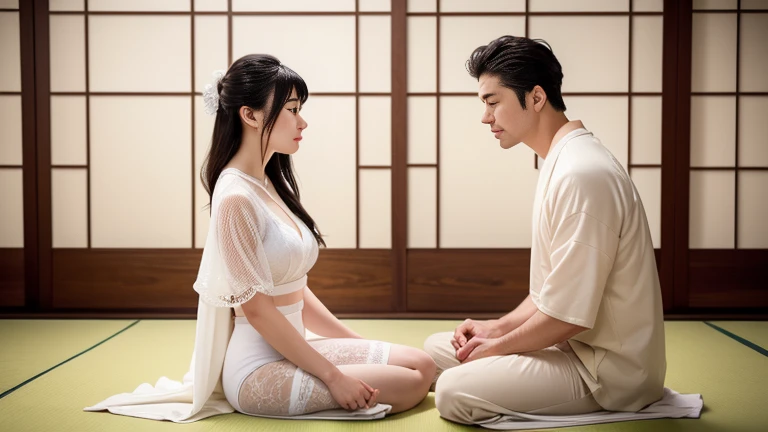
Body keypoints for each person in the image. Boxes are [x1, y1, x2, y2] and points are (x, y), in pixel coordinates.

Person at [85, 54, 435, 422]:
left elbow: (295, 290)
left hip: (293, 347)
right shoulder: (236, 197)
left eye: (300, 109)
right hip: (258, 369)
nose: (302, 121)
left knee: (422, 364)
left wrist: (357, 345)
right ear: (249, 115)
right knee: (411, 384)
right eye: (292, 109)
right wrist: (334, 377)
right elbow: (256, 310)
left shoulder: (267, 182)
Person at [423, 35, 666, 426]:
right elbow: (552, 294)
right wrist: (495, 327)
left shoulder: (583, 173)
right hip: (570, 347)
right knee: (434, 352)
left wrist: (497, 348)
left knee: (453, 392)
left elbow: (569, 317)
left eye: (492, 102)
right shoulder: (561, 159)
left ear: (536, 97)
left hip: (604, 371)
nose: (486, 117)